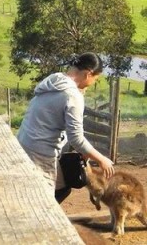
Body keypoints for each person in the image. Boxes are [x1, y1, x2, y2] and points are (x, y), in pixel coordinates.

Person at [17, 52, 114, 203]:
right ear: (88, 74)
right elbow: (76, 138)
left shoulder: (54, 81)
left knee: (62, 186)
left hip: (23, 143)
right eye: (96, 78)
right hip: (41, 153)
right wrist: (102, 159)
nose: (94, 82)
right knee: (44, 200)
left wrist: (85, 152)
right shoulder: (72, 95)